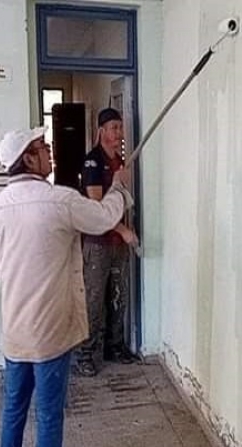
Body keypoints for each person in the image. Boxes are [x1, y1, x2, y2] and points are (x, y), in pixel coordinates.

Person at [0, 127, 133, 447]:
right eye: (43, 147)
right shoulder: (59, 201)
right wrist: (119, 187)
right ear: (28, 159)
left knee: (14, 407)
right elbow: (104, 217)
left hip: (15, 329)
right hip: (50, 329)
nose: (50, 151)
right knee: (49, 415)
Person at [75, 108, 141, 377]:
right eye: (113, 127)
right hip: (97, 244)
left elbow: (122, 201)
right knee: (94, 299)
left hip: (118, 244)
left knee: (118, 296)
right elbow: (97, 209)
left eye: (120, 127)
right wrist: (124, 231)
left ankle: (114, 346)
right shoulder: (92, 162)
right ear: (101, 130)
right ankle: (85, 354)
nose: (119, 133)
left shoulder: (120, 163)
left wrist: (128, 227)